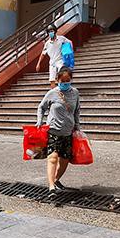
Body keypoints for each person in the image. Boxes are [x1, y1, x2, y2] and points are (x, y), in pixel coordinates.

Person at [36, 67, 81, 199]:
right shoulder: (52, 93)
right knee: (53, 158)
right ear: (57, 80)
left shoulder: (75, 93)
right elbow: (41, 107)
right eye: (63, 81)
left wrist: (77, 126)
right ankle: (51, 187)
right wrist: (40, 121)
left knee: (65, 160)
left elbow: (77, 110)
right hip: (53, 130)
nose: (65, 83)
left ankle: (55, 180)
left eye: (68, 81)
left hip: (68, 132)